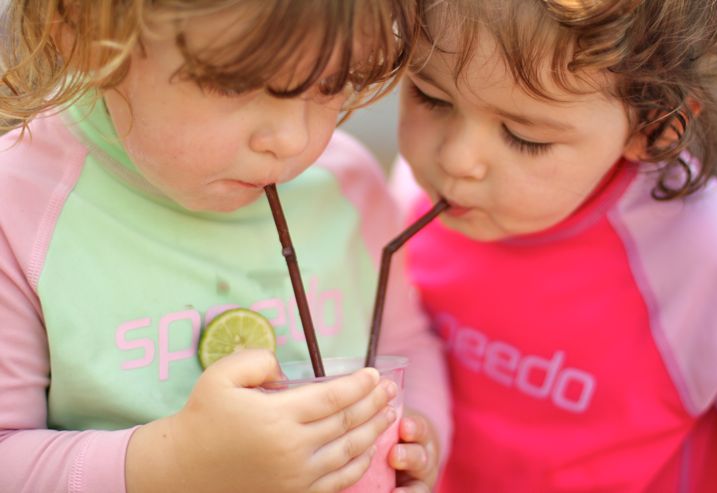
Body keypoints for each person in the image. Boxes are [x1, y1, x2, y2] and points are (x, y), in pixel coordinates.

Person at [0, 1, 450, 492]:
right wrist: (178, 463)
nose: (291, 138)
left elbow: (404, 344)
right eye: (237, 83)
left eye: (332, 84)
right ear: (86, 36)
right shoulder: (19, 206)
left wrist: (415, 441)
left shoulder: (346, 188)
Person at [393, 0, 717, 491]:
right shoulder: (411, 194)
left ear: (655, 127)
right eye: (430, 98)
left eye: (525, 137)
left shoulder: (706, 251)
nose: (456, 159)